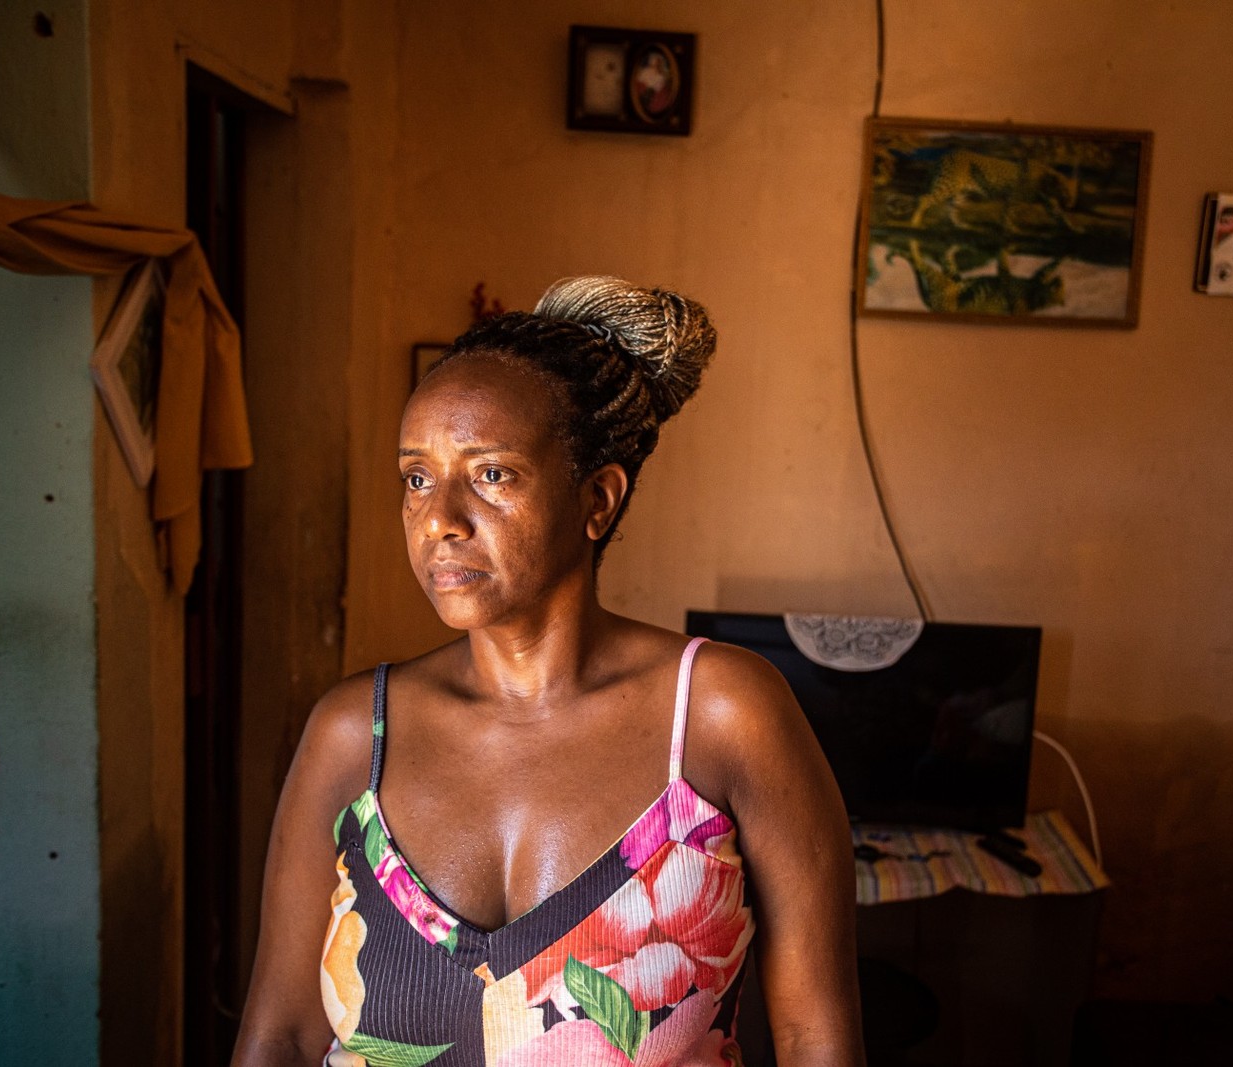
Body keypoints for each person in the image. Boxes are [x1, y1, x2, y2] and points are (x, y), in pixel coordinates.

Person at [231, 277, 864, 1066]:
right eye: (417, 476)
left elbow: (816, 1038)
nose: (438, 519)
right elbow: (280, 1036)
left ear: (597, 499)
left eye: (490, 474)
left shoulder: (719, 714)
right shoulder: (354, 733)